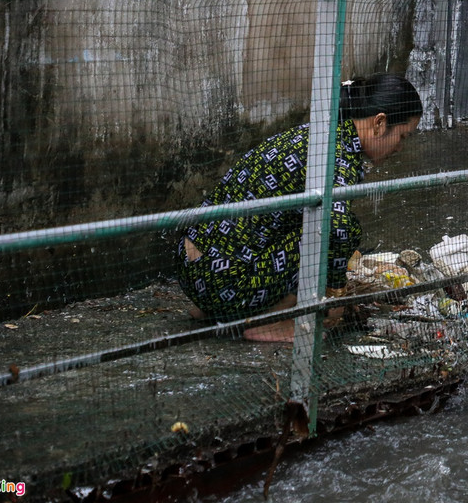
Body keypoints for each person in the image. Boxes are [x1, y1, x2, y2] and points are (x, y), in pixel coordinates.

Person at [177, 73, 423, 342]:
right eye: (403, 135)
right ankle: (276, 322)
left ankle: (216, 309)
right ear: (379, 123)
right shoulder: (339, 154)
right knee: (341, 229)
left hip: (195, 272)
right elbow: (338, 229)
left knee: (307, 220)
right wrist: (335, 293)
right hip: (225, 283)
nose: (400, 147)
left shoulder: (321, 132)